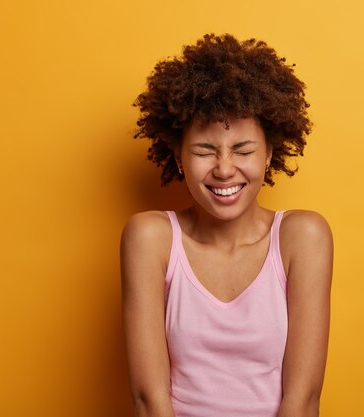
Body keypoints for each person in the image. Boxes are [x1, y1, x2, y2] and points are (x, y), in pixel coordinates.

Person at [120, 33, 333, 417]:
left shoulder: (303, 237)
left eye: (243, 150)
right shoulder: (150, 239)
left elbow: (302, 401)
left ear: (269, 153)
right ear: (179, 156)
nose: (223, 168)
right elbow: (149, 401)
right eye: (204, 150)